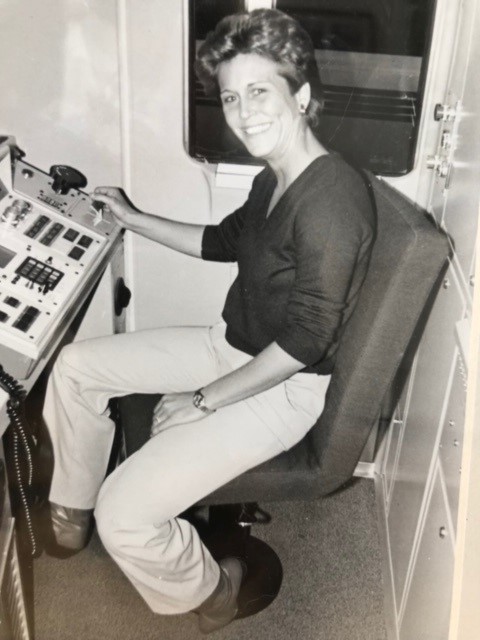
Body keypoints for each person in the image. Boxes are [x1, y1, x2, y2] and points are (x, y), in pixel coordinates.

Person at [42, 8, 375, 634]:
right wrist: (132, 217)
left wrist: (202, 400)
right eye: (229, 96)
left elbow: (306, 341)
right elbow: (224, 242)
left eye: (259, 91)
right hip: (230, 346)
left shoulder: (332, 199)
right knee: (77, 367)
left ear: (301, 96)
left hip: (281, 387)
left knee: (127, 516)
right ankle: (70, 509)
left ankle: (214, 590)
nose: (243, 112)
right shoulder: (275, 175)